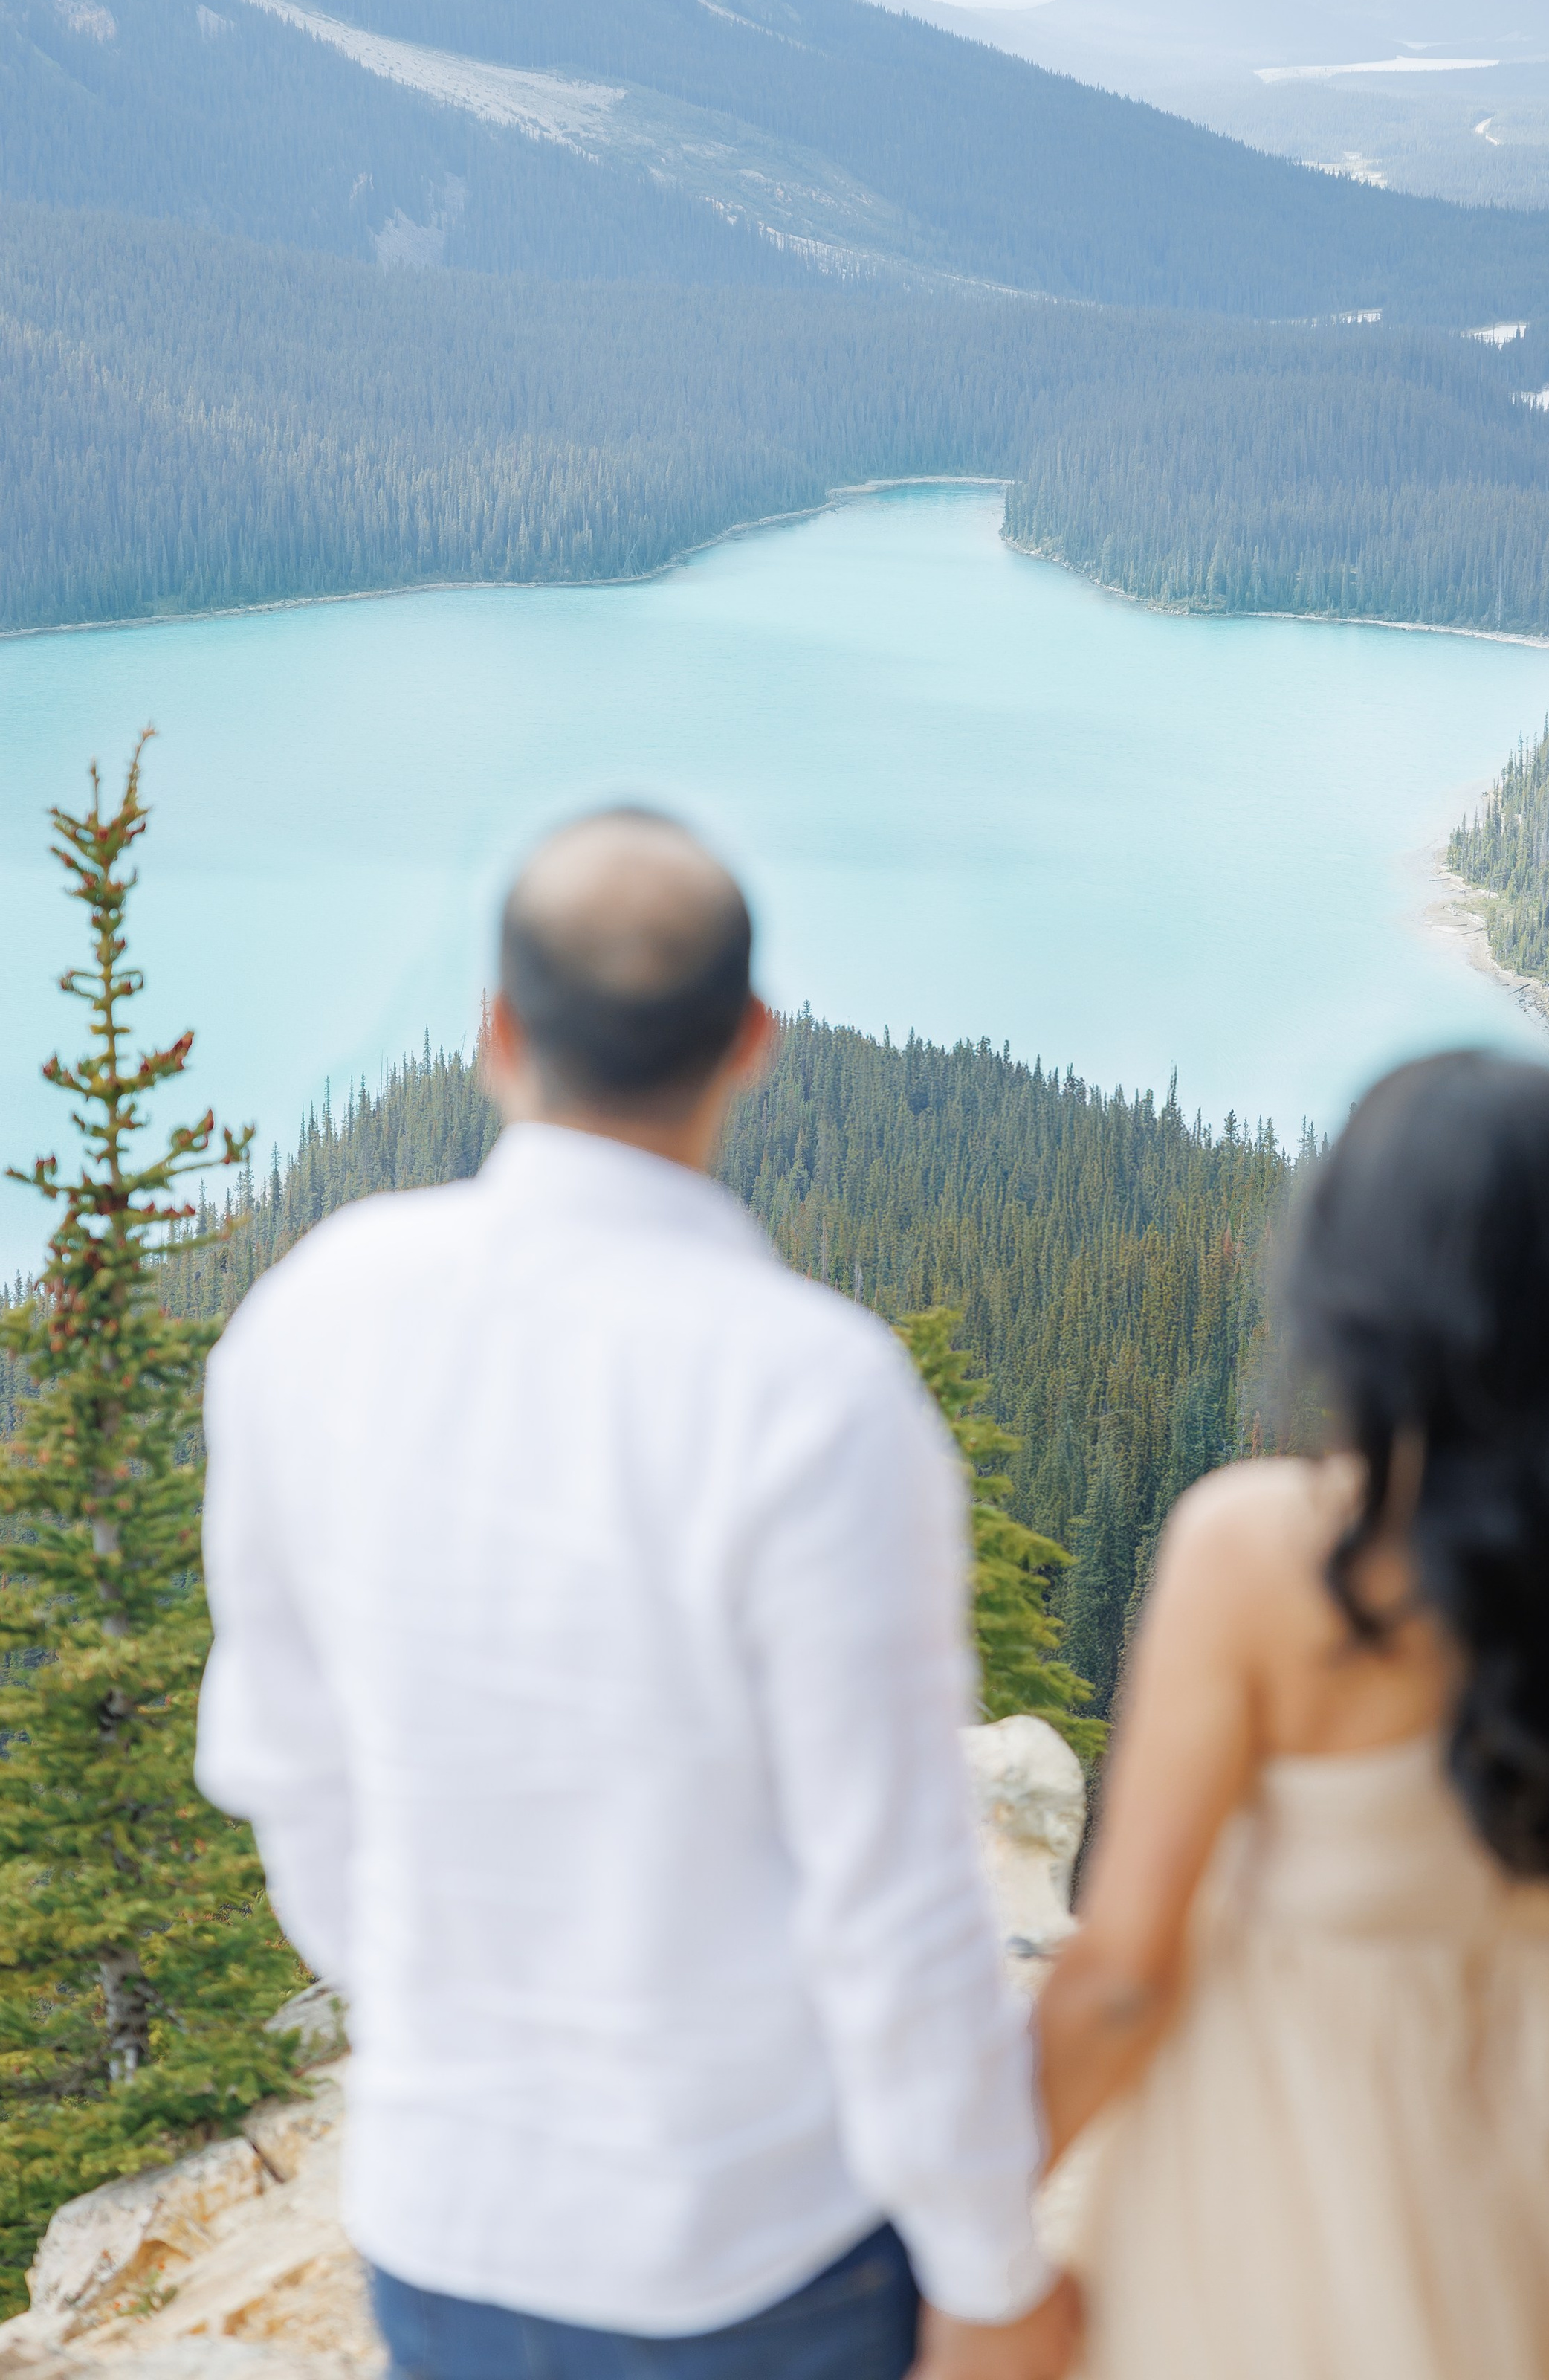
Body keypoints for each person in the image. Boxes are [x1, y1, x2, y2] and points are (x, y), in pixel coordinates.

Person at [196, 807, 1080, 2380]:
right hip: (763, 2246)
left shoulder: (315, 1312)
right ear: (751, 1040)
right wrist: (993, 2267)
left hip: (446, 2223)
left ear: (496, 1031)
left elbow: (284, 1773)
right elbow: (893, 1903)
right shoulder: (820, 1395)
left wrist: (448, 2032)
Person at [1036, 1050, 1549, 2380]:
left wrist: (963, 2236)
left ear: (1358, 1288)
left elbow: (1122, 1976)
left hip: (1304, 2180)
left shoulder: (1260, 1547)